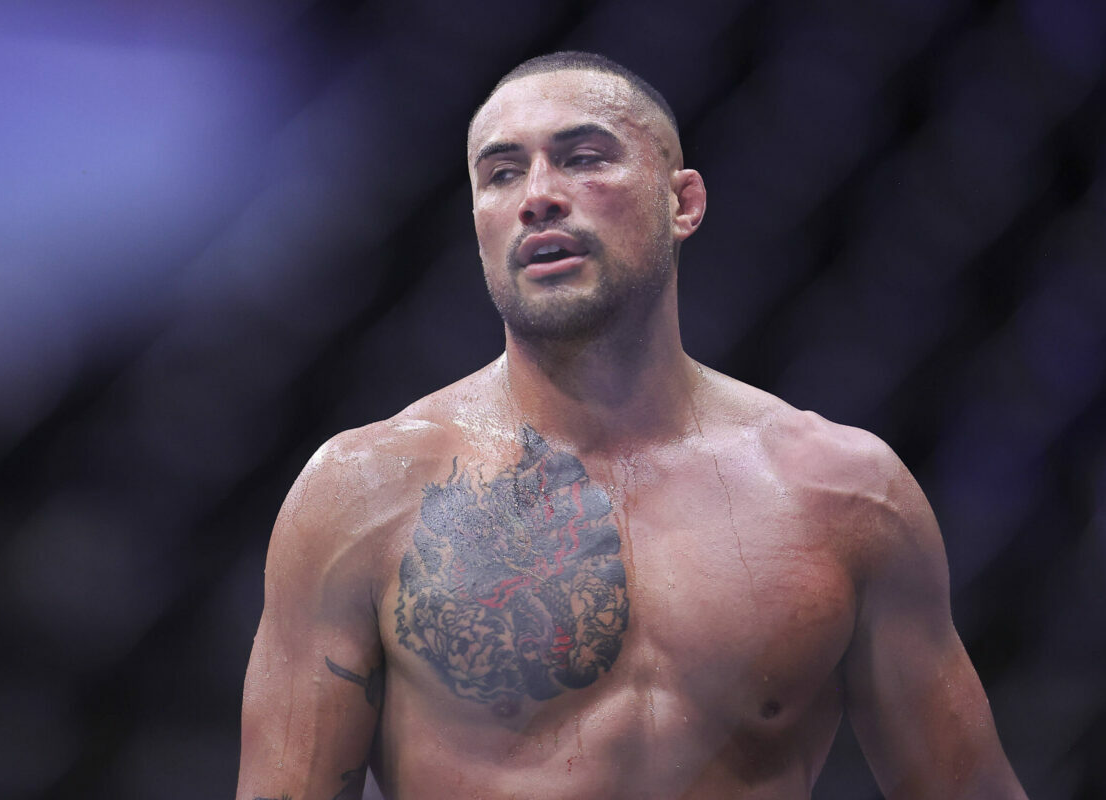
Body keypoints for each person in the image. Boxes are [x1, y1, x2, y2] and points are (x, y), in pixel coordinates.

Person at [237, 51, 1027, 799]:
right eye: (502, 173)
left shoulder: (844, 494)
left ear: (683, 203)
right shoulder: (364, 494)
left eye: (582, 158)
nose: (537, 196)